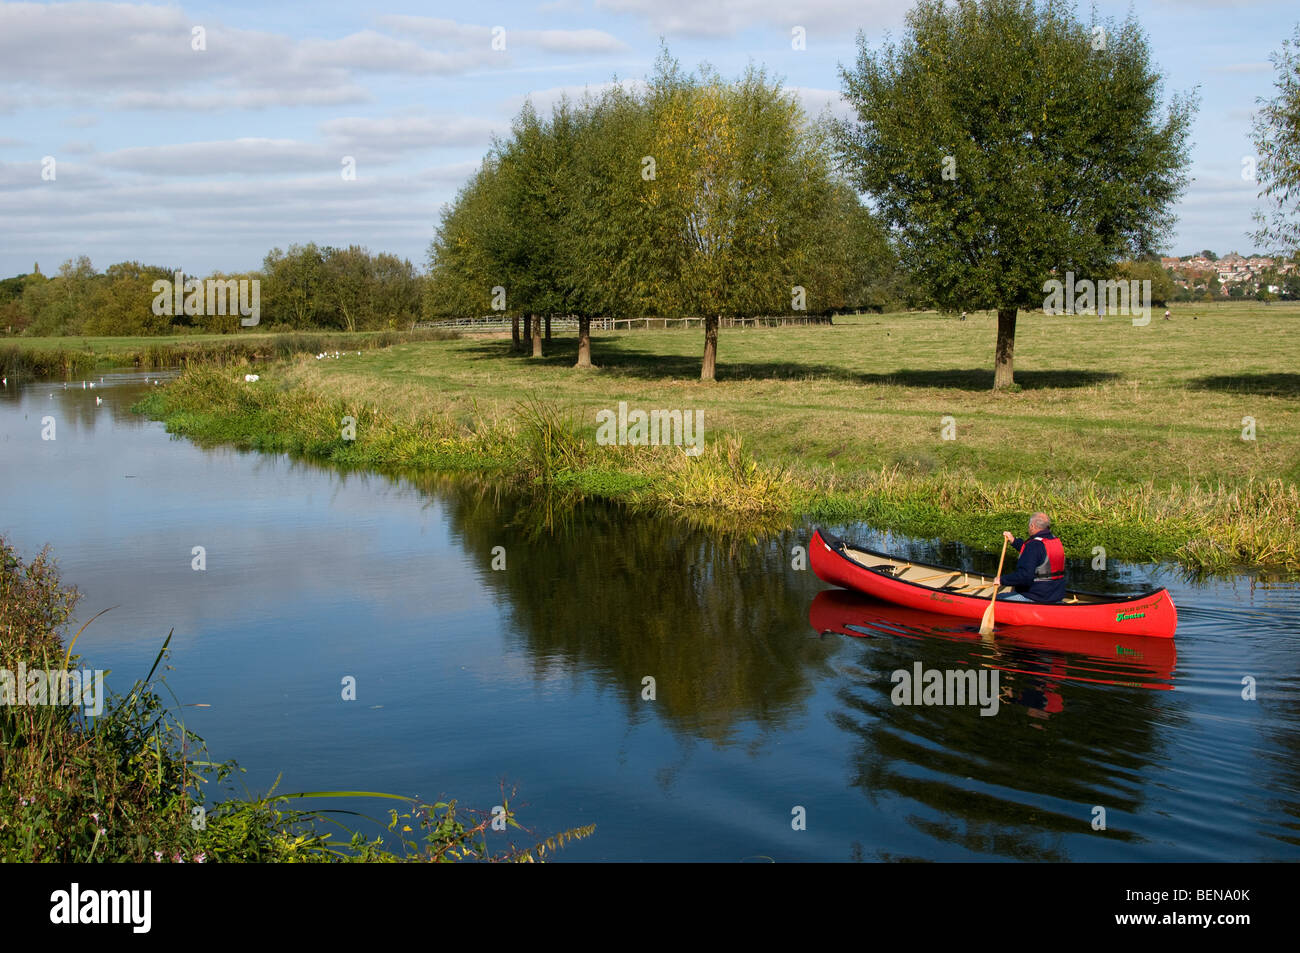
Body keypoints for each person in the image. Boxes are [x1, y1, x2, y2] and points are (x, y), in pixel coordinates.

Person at [993, 512, 1066, 603]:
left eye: (1029, 526)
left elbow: (1024, 576)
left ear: (1032, 526)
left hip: (1037, 597)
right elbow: (1036, 554)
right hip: (1056, 595)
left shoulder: (1034, 545)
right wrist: (1014, 541)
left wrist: (1002, 580)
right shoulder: (1054, 540)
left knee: (997, 598)